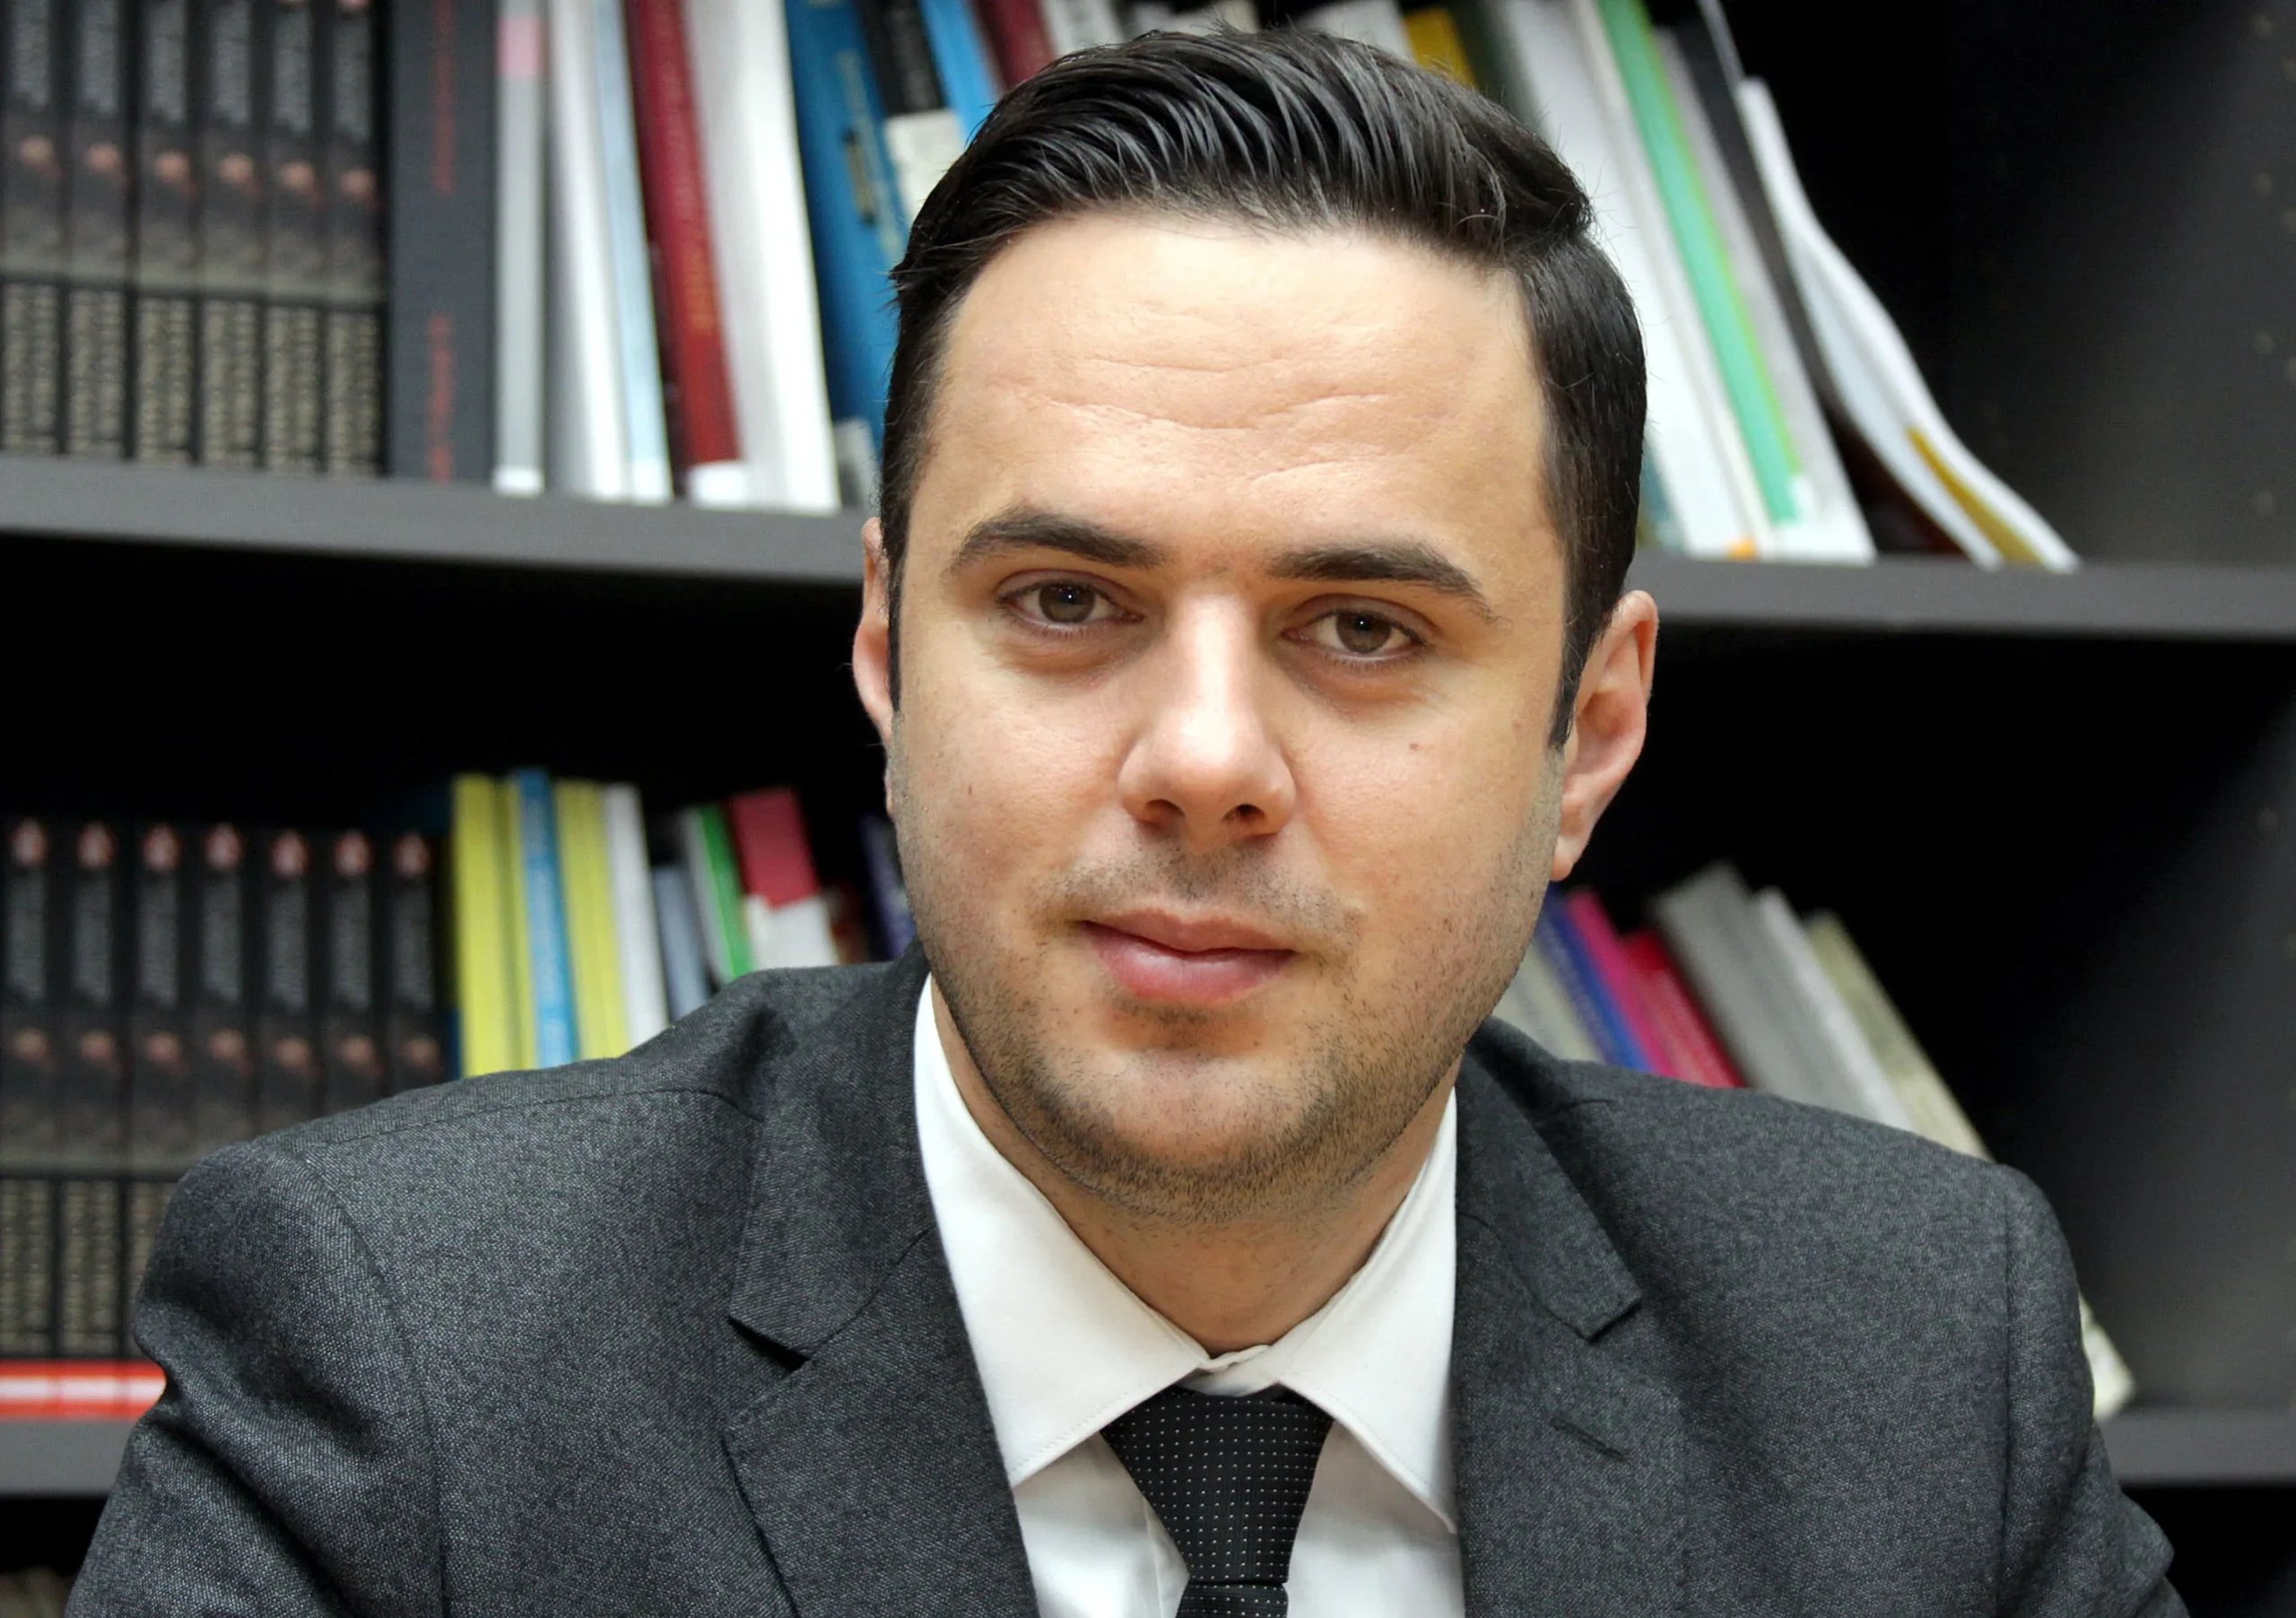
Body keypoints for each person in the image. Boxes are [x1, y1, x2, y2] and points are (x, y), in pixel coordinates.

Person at [72, 29, 2178, 1618]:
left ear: (1586, 732)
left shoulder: (1913, 1349)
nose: (1200, 757)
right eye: (1066, 603)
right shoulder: (405, 1353)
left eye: (1360, 628)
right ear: (888, 655)